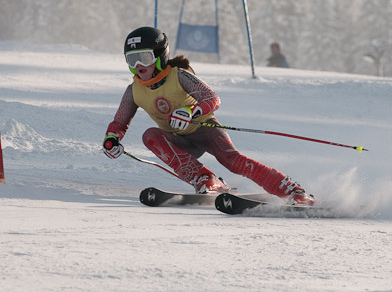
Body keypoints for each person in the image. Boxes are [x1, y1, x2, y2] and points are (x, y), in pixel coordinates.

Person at [102, 26, 314, 206]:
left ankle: (292, 190)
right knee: (150, 135)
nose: (138, 66)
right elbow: (120, 122)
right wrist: (112, 139)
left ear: (159, 56)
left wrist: (191, 111)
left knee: (233, 161)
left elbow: (212, 98)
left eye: (144, 58)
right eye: (132, 60)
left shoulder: (178, 76)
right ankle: (204, 179)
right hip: (179, 141)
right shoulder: (134, 91)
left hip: (205, 130)